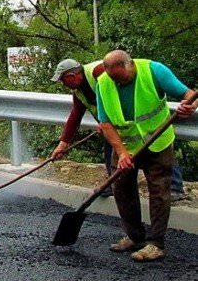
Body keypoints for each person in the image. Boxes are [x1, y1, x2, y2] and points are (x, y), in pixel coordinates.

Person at [96, 49, 196, 262]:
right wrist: (122, 153)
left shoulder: (154, 71)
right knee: (121, 188)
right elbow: (105, 123)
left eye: (123, 79)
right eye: (115, 80)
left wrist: (190, 106)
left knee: (159, 190)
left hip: (157, 143)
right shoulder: (103, 83)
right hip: (126, 145)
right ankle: (135, 236)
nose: (119, 84)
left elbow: (189, 94)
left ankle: (156, 244)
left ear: (130, 65)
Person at [51, 58, 188, 200]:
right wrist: (63, 144)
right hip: (113, 125)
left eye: (63, 80)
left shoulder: (98, 71)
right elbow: (75, 116)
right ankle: (113, 183)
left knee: (159, 147)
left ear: (72, 76)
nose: (63, 84)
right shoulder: (78, 91)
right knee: (112, 150)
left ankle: (175, 186)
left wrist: (106, 120)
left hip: (135, 117)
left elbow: (117, 89)